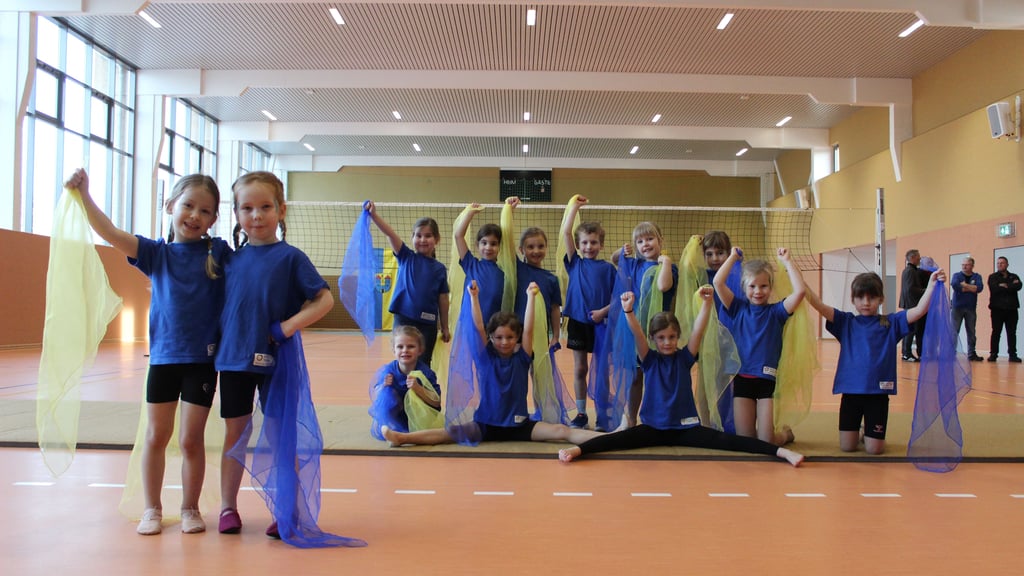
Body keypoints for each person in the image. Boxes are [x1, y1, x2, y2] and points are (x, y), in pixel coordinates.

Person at [65, 168, 228, 535]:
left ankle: (190, 508)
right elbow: (110, 233)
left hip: (201, 362)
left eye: (205, 211)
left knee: (190, 439)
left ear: (214, 219)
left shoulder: (217, 252)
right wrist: (85, 195)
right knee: (156, 436)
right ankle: (152, 508)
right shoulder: (156, 253)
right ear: (170, 206)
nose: (194, 216)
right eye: (188, 206)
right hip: (164, 361)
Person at [215, 171, 337, 540]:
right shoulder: (228, 260)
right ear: (236, 213)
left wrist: (287, 328)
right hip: (234, 360)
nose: (256, 215)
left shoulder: (291, 258)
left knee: (280, 434)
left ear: (281, 210)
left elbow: (325, 300)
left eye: (265, 207)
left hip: (277, 361)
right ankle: (227, 507)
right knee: (235, 434)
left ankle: (287, 508)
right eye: (247, 208)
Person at [558, 289, 803, 466]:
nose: (667, 342)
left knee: (732, 441)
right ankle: (579, 449)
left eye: (672, 337)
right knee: (615, 440)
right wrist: (628, 311)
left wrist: (707, 304)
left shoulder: (685, 358)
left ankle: (782, 452)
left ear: (678, 337)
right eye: (661, 338)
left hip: (686, 428)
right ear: (654, 340)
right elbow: (638, 335)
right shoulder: (650, 359)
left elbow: (698, 330)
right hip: (654, 428)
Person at [381, 281, 602, 448]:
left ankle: (608, 438)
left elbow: (528, 329)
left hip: (519, 426)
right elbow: (478, 326)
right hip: (486, 425)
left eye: (509, 337)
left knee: (562, 430)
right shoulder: (485, 357)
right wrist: (474, 297)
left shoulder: (523, 358)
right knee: (446, 433)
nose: (504, 342)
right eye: (498, 337)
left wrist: (531, 297)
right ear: (491, 338)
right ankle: (401, 438)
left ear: (516, 338)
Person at [804, 270, 945, 454]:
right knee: (847, 447)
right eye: (860, 297)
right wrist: (800, 283)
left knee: (875, 449)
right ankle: (862, 431)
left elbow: (919, 311)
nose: (866, 302)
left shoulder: (890, 323)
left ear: (881, 299)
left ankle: (868, 434)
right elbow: (820, 306)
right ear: (853, 300)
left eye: (872, 297)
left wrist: (932, 286)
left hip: (877, 395)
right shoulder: (846, 322)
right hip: (851, 394)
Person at [713, 246, 804, 446]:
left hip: (766, 380)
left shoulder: (777, 312)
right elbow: (718, 282)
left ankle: (785, 435)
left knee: (766, 442)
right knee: (746, 441)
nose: (758, 291)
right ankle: (762, 431)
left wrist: (788, 262)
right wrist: (732, 257)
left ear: (771, 287)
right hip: (743, 379)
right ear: (745, 287)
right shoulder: (737, 308)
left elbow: (800, 292)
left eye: (763, 286)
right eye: (752, 286)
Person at [364, 202, 450, 366]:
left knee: (424, 361)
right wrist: (374, 216)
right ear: (412, 238)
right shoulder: (406, 257)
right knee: (403, 360)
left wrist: (445, 326)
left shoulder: (440, 269)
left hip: (428, 323)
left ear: (437, 239)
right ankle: (402, 389)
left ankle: (421, 390)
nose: (423, 239)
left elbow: (443, 299)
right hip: (404, 317)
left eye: (428, 235)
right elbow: (390, 234)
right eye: (418, 235)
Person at [611, 221, 678, 428]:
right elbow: (615, 260)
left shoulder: (670, 268)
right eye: (639, 241)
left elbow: (663, 285)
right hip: (637, 329)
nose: (645, 244)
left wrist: (665, 263)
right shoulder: (635, 264)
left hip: (660, 331)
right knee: (636, 376)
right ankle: (630, 418)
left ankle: (659, 416)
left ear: (660, 240)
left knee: (658, 375)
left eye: (649, 239)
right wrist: (621, 251)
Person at [561, 196, 616, 429]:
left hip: (601, 325)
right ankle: (582, 414)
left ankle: (602, 413)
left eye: (593, 243)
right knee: (581, 368)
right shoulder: (575, 263)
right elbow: (565, 233)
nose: (588, 247)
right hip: (577, 322)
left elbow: (618, 299)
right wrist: (573, 207)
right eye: (584, 243)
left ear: (601, 245)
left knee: (601, 371)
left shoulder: (609, 269)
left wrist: (603, 312)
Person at [368, 326, 442, 438]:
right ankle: (392, 427)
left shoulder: (426, 373)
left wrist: (418, 389)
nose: (405, 350)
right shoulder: (389, 371)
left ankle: (409, 432)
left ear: (420, 350)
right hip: (398, 415)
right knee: (387, 394)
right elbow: (376, 397)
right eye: (400, 347)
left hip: (419, 418)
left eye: (411, 346)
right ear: (394, 350)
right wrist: (383, 386)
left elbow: (436, 402)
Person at [453, 203, 506, 323]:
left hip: (492, 326)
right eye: (484, 243)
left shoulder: (504, 272)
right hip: (469, 324)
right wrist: (470, 214)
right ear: (477, 245)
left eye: (493, 244)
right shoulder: (471, 264)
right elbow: (458, 236)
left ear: (499, 247)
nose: (488, 247)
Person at [987, 256, 1023, 362]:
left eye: (1002, 263)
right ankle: (993, 354)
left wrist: (1005, 285)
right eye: (998, 263)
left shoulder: (1014, 276)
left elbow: (1019, 286)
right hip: (997, 309)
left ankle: (1012, 354)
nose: (1000, 265)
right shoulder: (993, 277)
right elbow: (994, 289)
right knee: (996, 332)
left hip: (1012, 309)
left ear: (1007, 264)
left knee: (1011, 332)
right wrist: (1010, 286)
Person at [951, 256, 984, 361]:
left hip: (970, 308)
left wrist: (965, 286)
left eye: (967, 265)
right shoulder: (957, 275)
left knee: (971, 331)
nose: (964, 266)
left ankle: (971, 353)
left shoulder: (977, 276)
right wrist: (971, 288)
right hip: (957, 308)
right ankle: (951, 352)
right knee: (954, 330)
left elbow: (979, 288)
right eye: (963, 265)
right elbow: (955, 285)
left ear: (972, 266)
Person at [899, 249, 928, 362]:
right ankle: (906, 353)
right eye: (918, 257)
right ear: (912, 258)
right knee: (910, 329)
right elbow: (910, 289)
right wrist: (926, 290)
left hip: (911, 303)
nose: (919, 259)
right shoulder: (910, 271)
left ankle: (906, 352)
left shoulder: (911, 270)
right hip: (911, 304)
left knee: (911, 329)